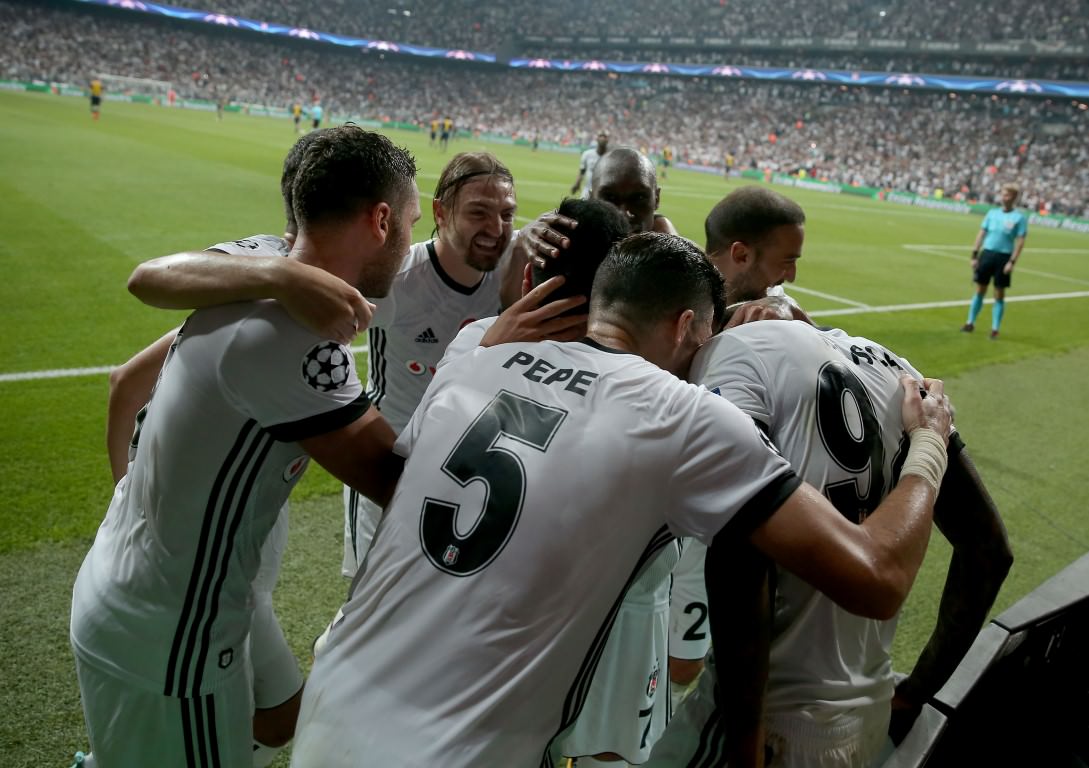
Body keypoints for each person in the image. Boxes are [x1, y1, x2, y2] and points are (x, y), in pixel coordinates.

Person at [288, 232, 954, 768]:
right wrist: (927, 445)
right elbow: (874, 578)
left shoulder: (477, 350)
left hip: (335, 698)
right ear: (688, 326)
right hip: (460, 749)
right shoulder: (683, 416)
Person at [69, 126, 419, 766]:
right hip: (175, 635)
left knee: (275, 718)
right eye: (411, 224)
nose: (409, 244)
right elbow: (403, 488)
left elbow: (149, 283)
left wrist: (280, 275)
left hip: (131, 579)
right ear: (380, 220)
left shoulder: (252, 260)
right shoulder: (292, 342)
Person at [646, 312, 1011, 768]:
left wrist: (743, 745)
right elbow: (990, 550)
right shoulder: (901, 372)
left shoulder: (731, 357)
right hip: (867, 714)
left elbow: (742, 560)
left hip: (771, 722)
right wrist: (914, 692)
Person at [961, 183, 1028, 339]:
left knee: (999, 294)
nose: (1004, 197)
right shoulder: (992, 213)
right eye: (1002, 194)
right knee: (980, 290)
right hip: (987, 255)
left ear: (1014, 197)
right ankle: (970, 322)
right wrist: (974, 255)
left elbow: (1020, 242)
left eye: (1007, 195)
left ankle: (995, 328)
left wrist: (1012, 262)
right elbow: (981, 234)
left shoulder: (1019, 217)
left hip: (1004, 258)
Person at [571, 131, 610, 197]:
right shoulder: (587, 154)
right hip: (587, 191)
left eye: (605, 136)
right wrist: (577, 183)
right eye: (601, 136)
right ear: (597, 139)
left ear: (607, 140)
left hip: (604, 194)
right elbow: (582, 171)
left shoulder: (611, 156)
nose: (602, 138)